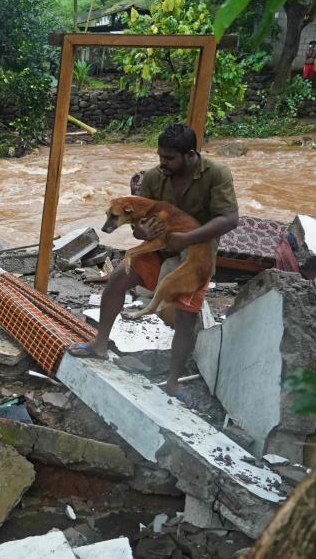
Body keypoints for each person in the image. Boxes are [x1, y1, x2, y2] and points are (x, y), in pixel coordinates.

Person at [68, 124, 239, 399]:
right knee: (116, 281)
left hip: (196, 253)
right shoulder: (153, 177)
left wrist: (186, 237)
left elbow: (230, 220)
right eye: (160, 156)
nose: (162, 163)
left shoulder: (216, 174)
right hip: (158, 249)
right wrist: (141, 233)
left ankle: (173, 381)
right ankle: (99, 344)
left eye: (169, 158)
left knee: (185, 317)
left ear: (190, 155)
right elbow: (138, 224)